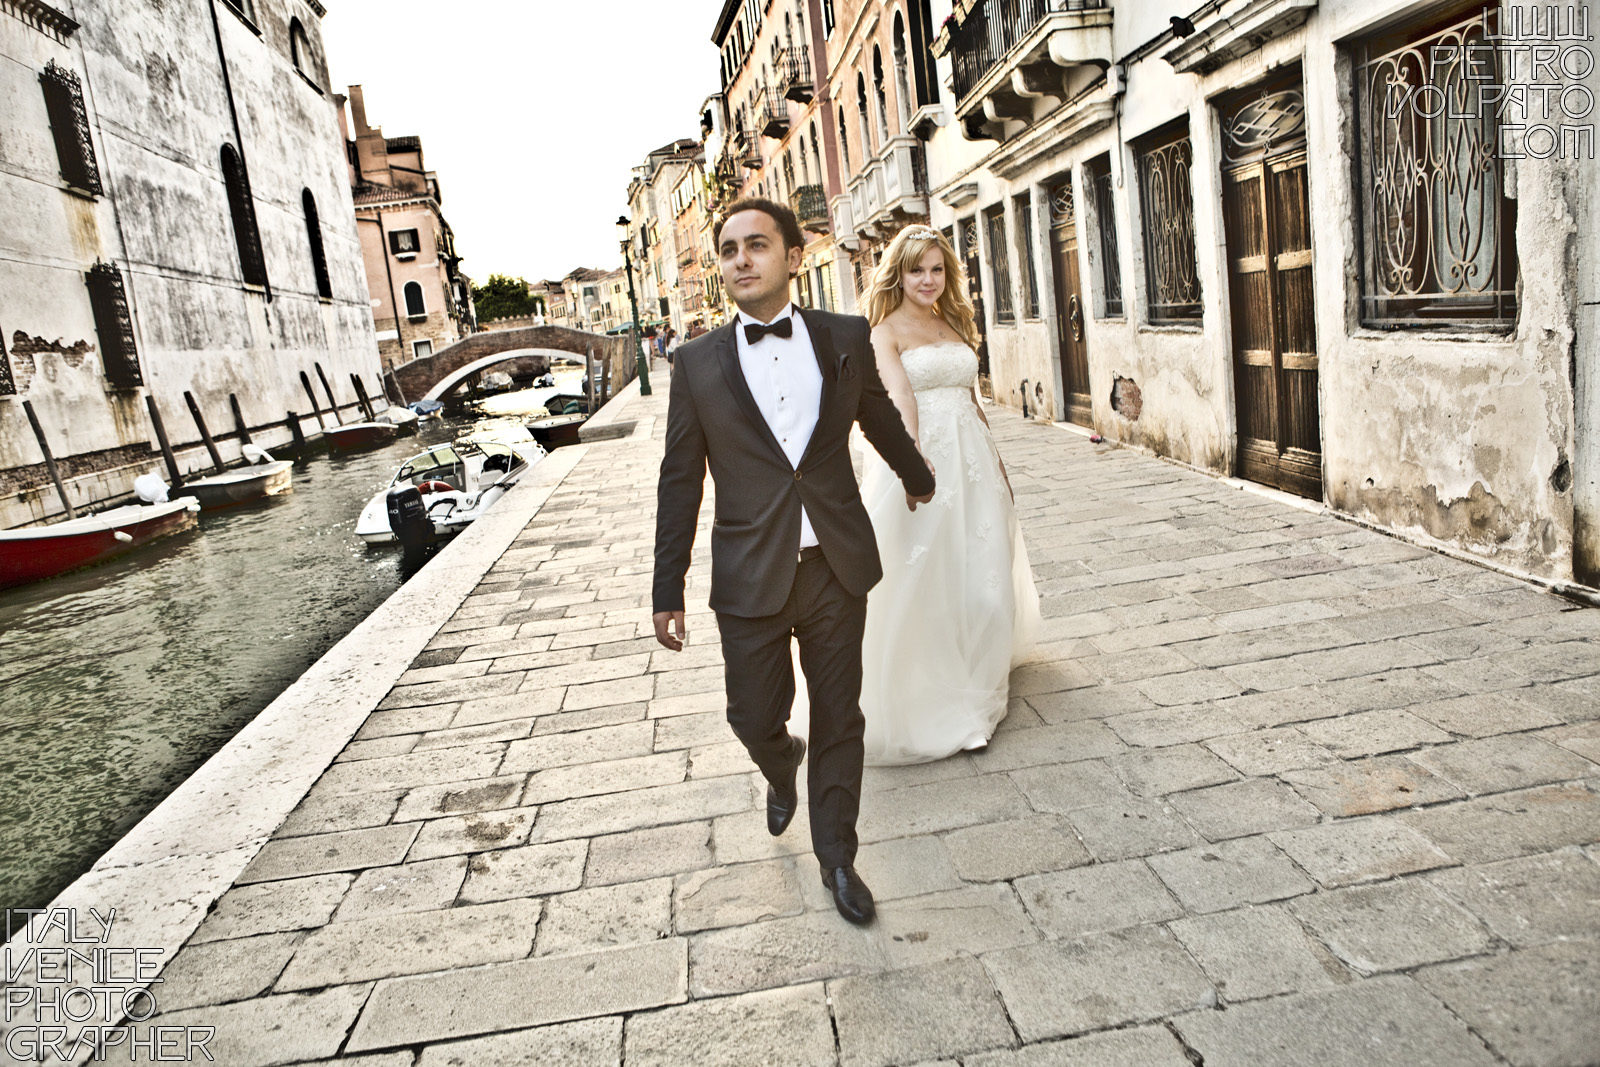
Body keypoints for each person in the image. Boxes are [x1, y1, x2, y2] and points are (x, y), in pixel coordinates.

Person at [653, 198, 935, 925]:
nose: (740, 259)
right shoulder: (694, 363)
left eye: (755, 245)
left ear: (793, 256)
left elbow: (874, 414)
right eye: (728, 249)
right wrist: (668, 584)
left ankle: (837, 856)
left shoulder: (844, 336)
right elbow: (681, 478)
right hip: (750, 572)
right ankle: (780, 762)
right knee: (752, 713)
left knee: (842, 715)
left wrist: (917, 474)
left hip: (836, 563)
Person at [857, 224, 1041, 765]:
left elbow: (973, 400)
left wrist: (999, 463)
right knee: (928, 580)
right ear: (898, 273)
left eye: (937, 269)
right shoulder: (883, 332)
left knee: (981, 578)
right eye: (917, 269)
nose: (929, 279)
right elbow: (897, 401)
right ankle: (949, 704)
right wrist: (915, 465)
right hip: (928, 463)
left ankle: (979, 673)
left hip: (974, 460)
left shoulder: (953, 320)